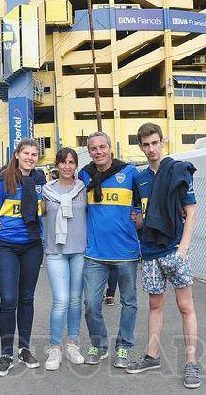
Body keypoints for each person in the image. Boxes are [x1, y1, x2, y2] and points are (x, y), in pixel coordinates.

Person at [124, 123, 201, 389]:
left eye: (155, 143)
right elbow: (141, 217)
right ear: (140, 146)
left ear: (162, 142)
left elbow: (190, 212)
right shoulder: (140, 179)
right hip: (150, 252)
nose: (151, 149)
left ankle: (191, 362)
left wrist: (183, 249)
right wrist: (137, 221)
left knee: (185, 306)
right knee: (155, 305)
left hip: (174, 250)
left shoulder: (178, 170)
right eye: (146, 145)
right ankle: (152, 356)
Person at [78, 131, 143, 368]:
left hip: (125, 252)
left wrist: (141, 218)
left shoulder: (129, 172)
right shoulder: (84, 175)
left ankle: (124, 347)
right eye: (93, 148)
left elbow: (144, 201)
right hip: (94, 253)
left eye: (102, 147)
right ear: (89, 151)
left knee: (129, 302)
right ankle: (99, 344)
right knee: (92, 304)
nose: (98, 152)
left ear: (110, 148)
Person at [0, 138, 47, 376]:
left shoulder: (41, 182)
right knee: (9, 299)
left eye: (34, 154)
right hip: (7, 247)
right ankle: (6, 354)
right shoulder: (4, 182)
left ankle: (24, 348)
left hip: (32, 246)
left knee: (27, 298)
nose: (31, 158)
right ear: (17, 155)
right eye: (27, 154)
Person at [40, 147, 89, 370]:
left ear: (76, 165)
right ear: (57, 165)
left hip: (79, 250)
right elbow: (31, 213)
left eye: (71, 162)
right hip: (55, 252)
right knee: (60, 301)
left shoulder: (83, 189)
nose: (67, 166)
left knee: (76, 300)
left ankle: (73, 344)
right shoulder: (46, 191)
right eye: (63, 162)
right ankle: (54, 347)